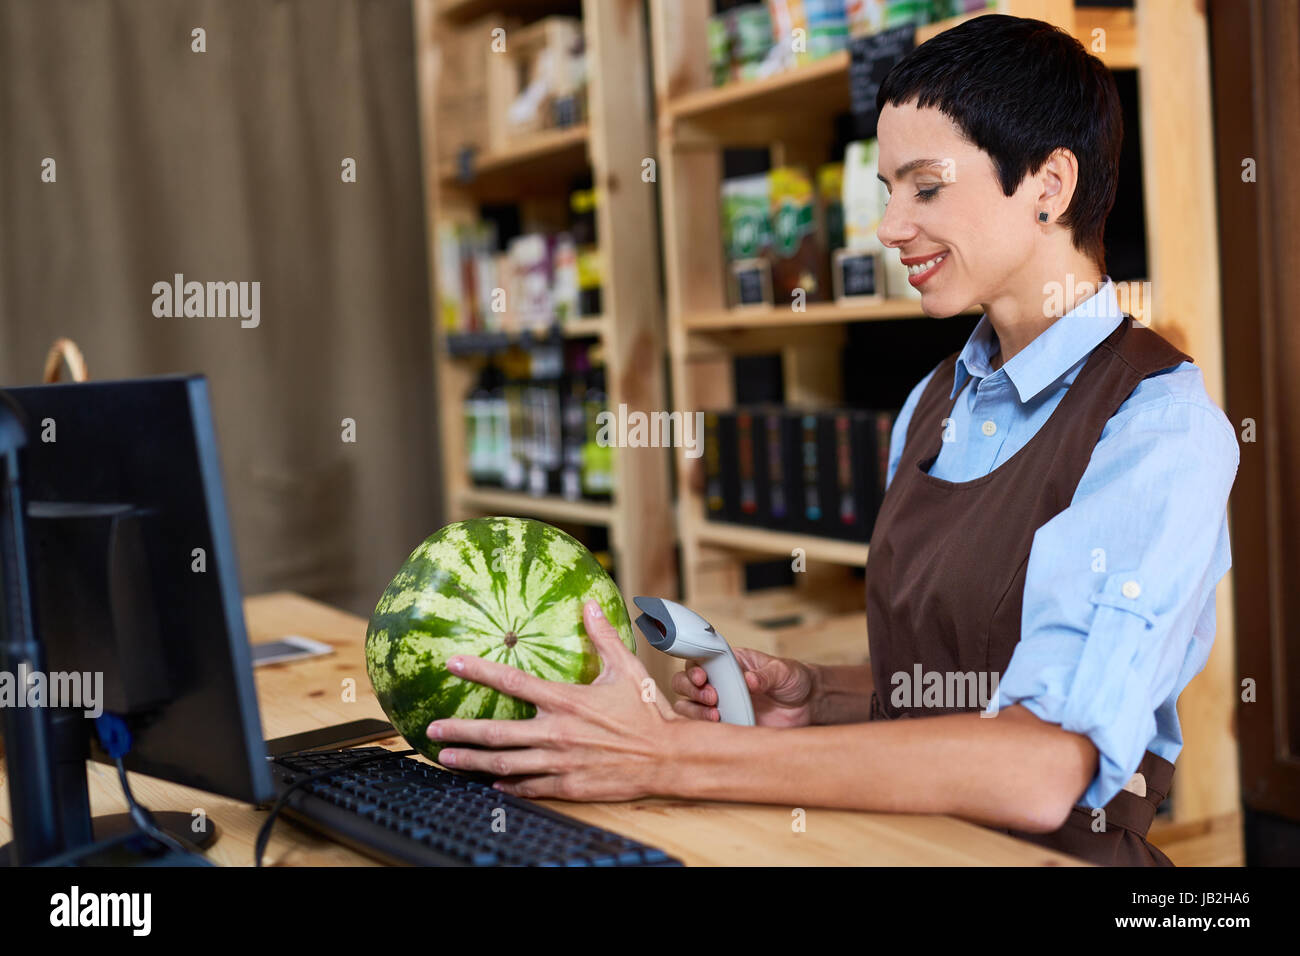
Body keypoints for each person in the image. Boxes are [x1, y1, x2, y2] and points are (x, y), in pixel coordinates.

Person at [424, 14, 1238, 867]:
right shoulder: (936, 400)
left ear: (1049, 183)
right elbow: (967, 683)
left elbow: (1042, 766)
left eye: (924, 188)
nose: (889, 227)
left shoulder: (1155, 426)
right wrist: (820, 697)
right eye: (888, 189)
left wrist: (671, 756)